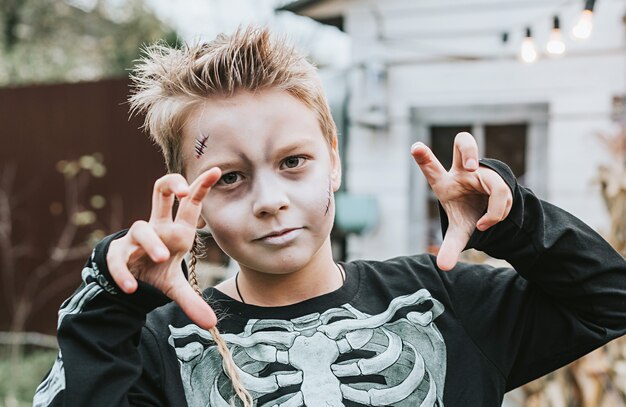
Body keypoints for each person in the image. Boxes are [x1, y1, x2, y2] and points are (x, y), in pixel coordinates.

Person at [34, 26, 626, 407]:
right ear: (194, 201)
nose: (270, 199)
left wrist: (515, 221)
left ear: (334, 163)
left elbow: (610, 298)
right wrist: (113, 301)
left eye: (293, 162)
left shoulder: (445, 303)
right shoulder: (162, 346)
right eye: (231, 178)